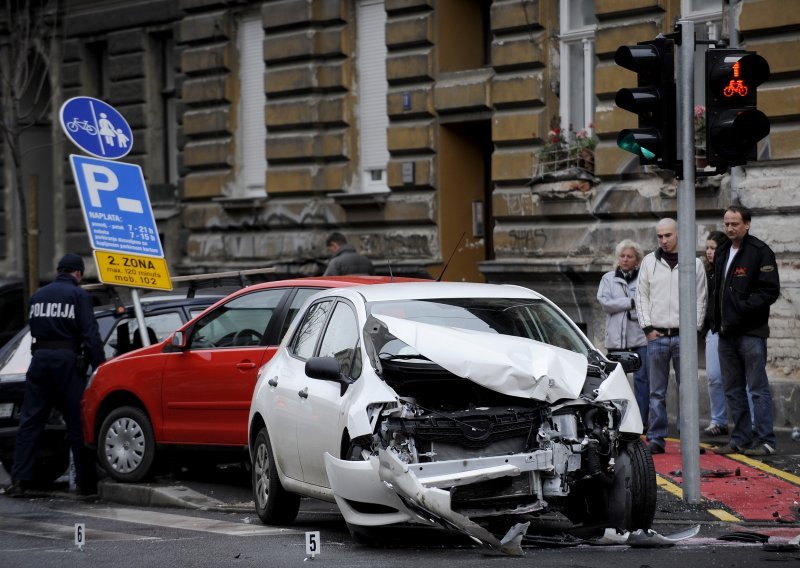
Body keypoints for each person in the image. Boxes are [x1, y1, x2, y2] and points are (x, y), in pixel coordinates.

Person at [3, 254, 106, 497]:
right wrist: (100, 367)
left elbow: (33, 330)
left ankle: (20, 480)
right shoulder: (78, 295)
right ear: (78, 274)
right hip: (67, 363)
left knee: (30, 422)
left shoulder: (38, 296)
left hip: (39, 362)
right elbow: (90, 335)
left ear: (60, 270)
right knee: (76, 422)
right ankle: (86, 483)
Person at [710, 206, 780, 457]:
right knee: (732, 388)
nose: (729, 228)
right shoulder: (721, 251)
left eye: (735, 224)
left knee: (757, 387)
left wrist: (741, 309)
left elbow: (769, 291)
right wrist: (714, 320)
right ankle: (739, 439)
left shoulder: (760, 252)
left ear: (747, 224)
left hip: (751, 332)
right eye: (727, 223)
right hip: (725, 332)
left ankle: (766, 440)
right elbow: (716, 290)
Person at [635, 218, 707, 455]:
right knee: (657, 392)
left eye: (668, 235)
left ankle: (689, 439)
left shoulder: (693, 263)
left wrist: (693, 330)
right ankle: (656, 438)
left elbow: (700, 299)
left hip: (683, 337)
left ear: (678, 234)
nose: (664, 240)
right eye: (660, 236)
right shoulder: (648, 262)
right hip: (657, 337)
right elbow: (641, 297)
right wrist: (647, 329)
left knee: (688, 391)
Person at [597, 239, 649, 427]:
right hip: (616, 341)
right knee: (617, 383)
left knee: (643, 381)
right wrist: (630, 302)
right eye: (622, 256)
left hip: (639, 338)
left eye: (630, 256)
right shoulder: (608, 278)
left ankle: (642, 421)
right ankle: (619, 422)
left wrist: (630, 303)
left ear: (637, 260)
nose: (625, 259)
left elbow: (646, 302)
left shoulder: (643, 278)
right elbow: (605, 304)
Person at [702, 231, 730, 437]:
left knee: (743, 380)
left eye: (714, 248)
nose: (710, 252)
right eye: (708, 248)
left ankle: (752, 423)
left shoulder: (729, 270)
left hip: (731, 330)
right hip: (713, 330)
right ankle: (718, 420)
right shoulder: (706, 271)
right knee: (714, 377)